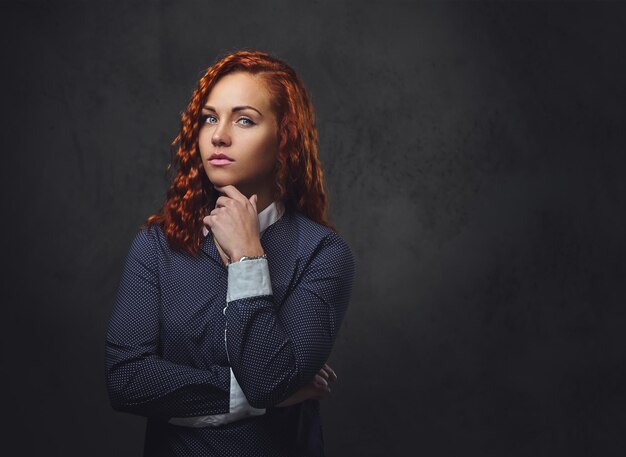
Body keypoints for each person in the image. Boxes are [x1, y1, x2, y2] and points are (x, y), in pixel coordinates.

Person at [104, 49, 355, 456]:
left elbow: (267, 379)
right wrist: (252, 396)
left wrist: (247, 258)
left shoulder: (322, 253)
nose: (219, 135)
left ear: (284, 138)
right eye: (209, 117)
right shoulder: (156, 244)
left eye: (244, 119)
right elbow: (127, 380)